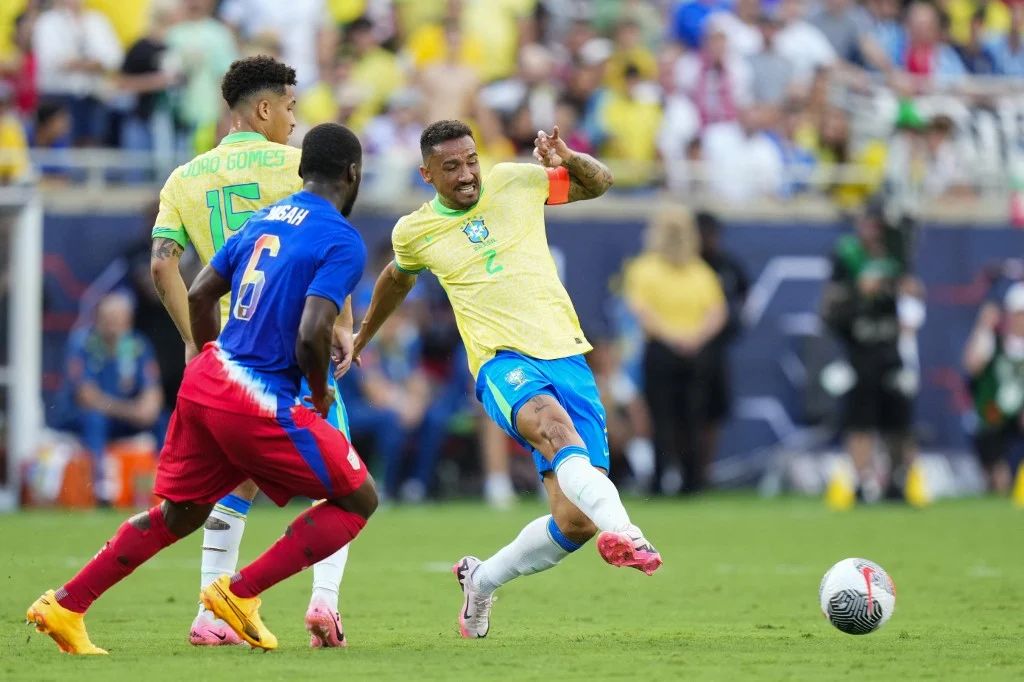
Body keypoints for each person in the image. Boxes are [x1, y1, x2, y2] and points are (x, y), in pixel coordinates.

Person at [26, 122, 376, 656]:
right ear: (354, 174)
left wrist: (213, 355)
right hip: (259, 396)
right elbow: (313, 332)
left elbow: (200, 291)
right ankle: (240, 594)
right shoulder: (342, 238)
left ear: (303, 170)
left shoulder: (263, 219)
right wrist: (320, 392)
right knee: (356, 499)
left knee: (180, 514)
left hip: (207, 380)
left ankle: (66, 604)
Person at [352, 119, 663, 640]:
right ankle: (629, 533)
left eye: (471, 160)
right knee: (555, 430)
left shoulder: (516, 181)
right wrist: (361, 338)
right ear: (427, 174)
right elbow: (395, 279)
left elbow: (600, 183)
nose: (467, 174)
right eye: (451, 167)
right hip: (503, 362)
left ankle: (482, 579)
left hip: (568, 355)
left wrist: (568, 156)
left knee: (575, 521)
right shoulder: (415, 230)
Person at [148, 55, 355, 648]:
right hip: (291, 347)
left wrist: (195, 340)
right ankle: (323, 605)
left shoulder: (185, 178)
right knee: (339, 480)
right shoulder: (301, 168)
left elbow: (163, 262)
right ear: (264, 109)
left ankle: (211, 614)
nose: (294, 120)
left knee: (228, 485)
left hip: (229, 356)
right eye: (290, 107)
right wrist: (342, 324)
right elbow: (330, 248)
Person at [622, 206, 727, 495]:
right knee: (689, 418)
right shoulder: (700, 271)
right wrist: (693, 338)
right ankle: (691, 482)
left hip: (663, 350)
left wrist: (673, 337)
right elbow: (716, 313)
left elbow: (641, 309)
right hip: (693, 351)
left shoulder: (645, 267)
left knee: (664, 419)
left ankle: (662, 481)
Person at [820, 198, 917, 503]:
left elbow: (910, 284)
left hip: (888, 345)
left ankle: (897, 480)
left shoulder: (895, 251)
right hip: (859, 348)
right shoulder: (848, 254)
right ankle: (861, 482)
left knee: (897, 421)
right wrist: (858, 292)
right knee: (860, 420)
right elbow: (830, 304)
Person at [59, 291, 164, 506]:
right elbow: (87, 397)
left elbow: (153, 390)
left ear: (128, 321)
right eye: (108, 319)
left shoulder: (137, 345)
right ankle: (100, 491)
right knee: (95, 419)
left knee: (164, 420)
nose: (114, 325)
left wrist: (147, 408)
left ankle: (167, 485)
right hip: (84, 418)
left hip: (122, 418)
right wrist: (132, 411)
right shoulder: (83, 345)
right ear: (98, 319)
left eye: (119, 319)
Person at [963, 282, 1024, 494]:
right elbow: (972, 365)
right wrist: (983, 325)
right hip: (994, 417)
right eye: (1018, 314)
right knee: (988, 430)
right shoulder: (994, 343)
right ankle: (998, 482)